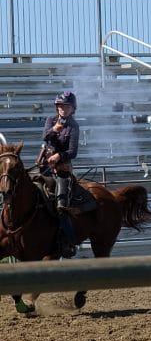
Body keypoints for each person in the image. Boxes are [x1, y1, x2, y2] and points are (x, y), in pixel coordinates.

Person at [42, 91, 80, 258]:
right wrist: (54, 130)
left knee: (61, 204)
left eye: (67, 106)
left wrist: (60, 156)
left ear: (73, 108)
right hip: (44, 165)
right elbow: (45, 137)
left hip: (62, 168)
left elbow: (73, 151)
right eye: (60, 106)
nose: (63, 109)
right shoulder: (50, 120)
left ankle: (68, 242)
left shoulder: (74, 126)